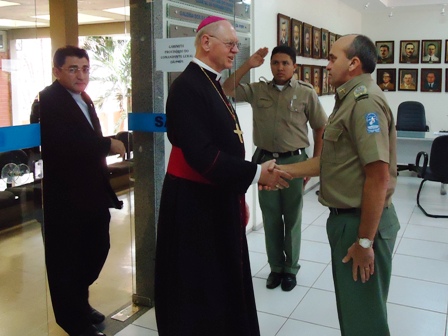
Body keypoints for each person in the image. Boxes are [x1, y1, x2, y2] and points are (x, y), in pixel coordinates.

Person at [154, 16, 291, 336]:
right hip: (195, 205)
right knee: (202, 287)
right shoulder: (187, 86)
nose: (235, 50)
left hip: (215, 198)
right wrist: (256, 172)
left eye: (236, 45)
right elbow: (201, 155)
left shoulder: (209, 81)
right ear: (206, 42)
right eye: (230, 44)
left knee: (222, 281)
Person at [277, 34, 400, 336]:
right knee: (354, 312)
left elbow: (378, 177)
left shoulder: (364, 102)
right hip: (348, 222)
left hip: (361, 225)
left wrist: (365, 242)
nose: (327, 64)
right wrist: (281, 171)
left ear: (354, 63)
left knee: (364, 321)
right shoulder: (349, 99)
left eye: (332, 58)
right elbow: (332, 162)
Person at [223, 45, 327, 292]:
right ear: (270, 65)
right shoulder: (258, 90)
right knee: (270, 217)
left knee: (291, 218)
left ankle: (290, 269)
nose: (280, 67)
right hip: (265, 163)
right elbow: (226, 90)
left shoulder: (306, 93)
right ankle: (275, 268)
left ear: (294, 67)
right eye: (275, 63)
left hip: (294, 161)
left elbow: (320, 128)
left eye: (285, 63)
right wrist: (248, 64)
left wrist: (314, 164)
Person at [39, 45, 126, 336]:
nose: (81, 75)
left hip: (92, 192)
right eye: (73, 68)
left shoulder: (83, 98)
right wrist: (108, 144)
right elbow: (65, 144)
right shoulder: (48, 100)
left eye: (85, 68)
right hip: (66, 197)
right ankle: (74, 321)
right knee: (67, 261)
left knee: (97, 248)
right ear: (57, 71)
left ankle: (79, 301)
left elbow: (85, 138)